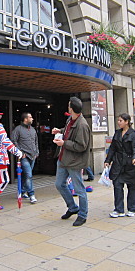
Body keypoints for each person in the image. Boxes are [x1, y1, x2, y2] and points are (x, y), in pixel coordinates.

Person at [52, 97, 91, 227]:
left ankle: (83, 215)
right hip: (63, 158)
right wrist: (59, 131)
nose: (67, 107)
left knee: (79, 189)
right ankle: (73, 207)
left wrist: (64, 143)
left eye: (69, 105)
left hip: (74, 162)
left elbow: (81, 146)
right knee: (59, 184)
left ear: (72, 108)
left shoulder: (82, 125)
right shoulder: (71, 119)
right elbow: (68, 131)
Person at [104, 113, 135, 218]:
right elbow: (112, 148)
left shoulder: (133, 134)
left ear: (126, 122)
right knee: (117, 185)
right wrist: (108, 160)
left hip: (130, 163)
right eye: (118, 121)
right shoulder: (117, 133)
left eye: (120, 121)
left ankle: (132, 209)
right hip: (118, 163)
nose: (118, 123)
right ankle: (119, 209)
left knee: (132, 186)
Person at [11, 112, 39, 204]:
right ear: (25, 119)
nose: (32, 119)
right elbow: (13, 141)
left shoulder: (33, 130)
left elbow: (36, 141)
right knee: (28, 175)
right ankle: (31, 194)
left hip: (33, 155)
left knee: (26, 175)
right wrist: (20, 152)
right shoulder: (18, 129)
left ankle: (22, 191)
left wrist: (37, 152)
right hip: (24, 156)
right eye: (30, 117)